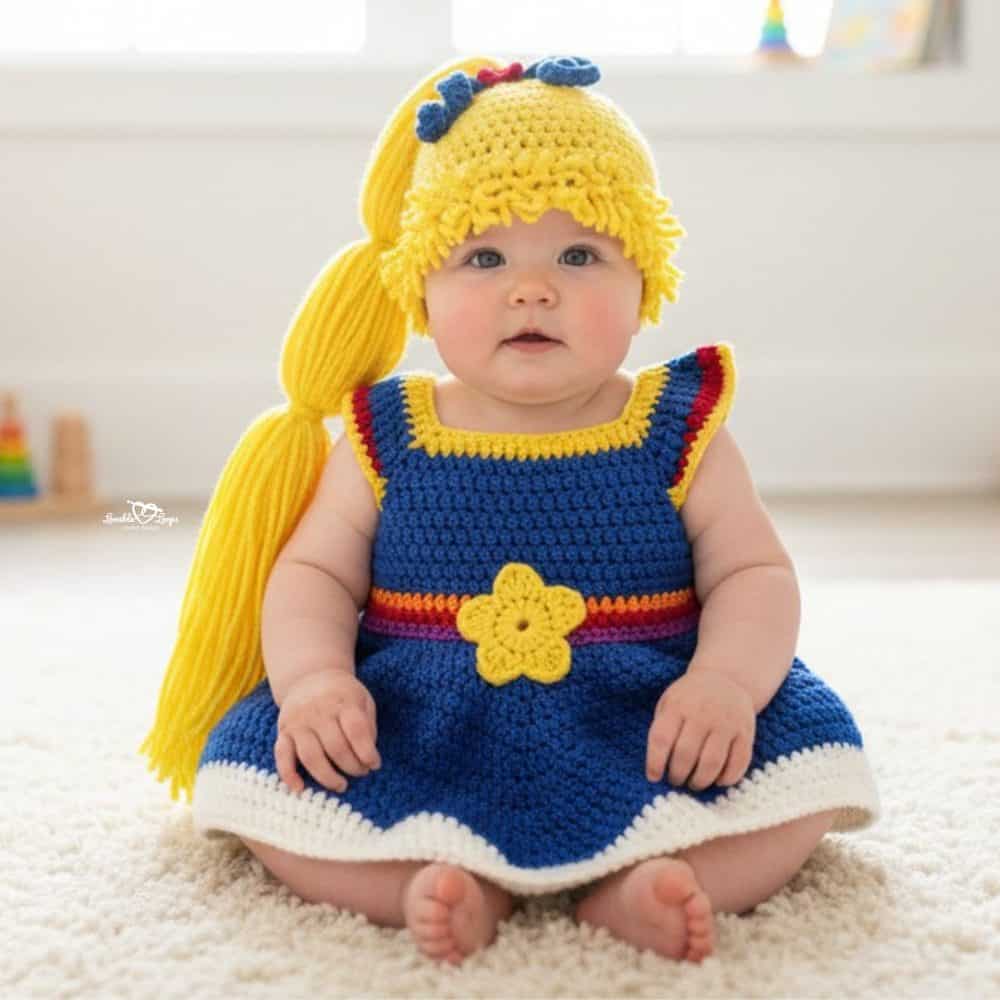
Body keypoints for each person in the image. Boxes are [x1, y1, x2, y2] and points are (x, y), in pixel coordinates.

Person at [139, 54, 880, 966]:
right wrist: (316, 683)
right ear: (420, 289)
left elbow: (753, 572)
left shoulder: (676, 426)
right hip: (421, 711)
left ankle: (641, 886)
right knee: (257, 779)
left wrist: (725, 683)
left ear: (646, 280)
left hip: (644, 710)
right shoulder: (385, 429)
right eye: (483, 256)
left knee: (805, 776)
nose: (532, 288)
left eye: (580, 254)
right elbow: (315, 573)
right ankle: (419, 884)